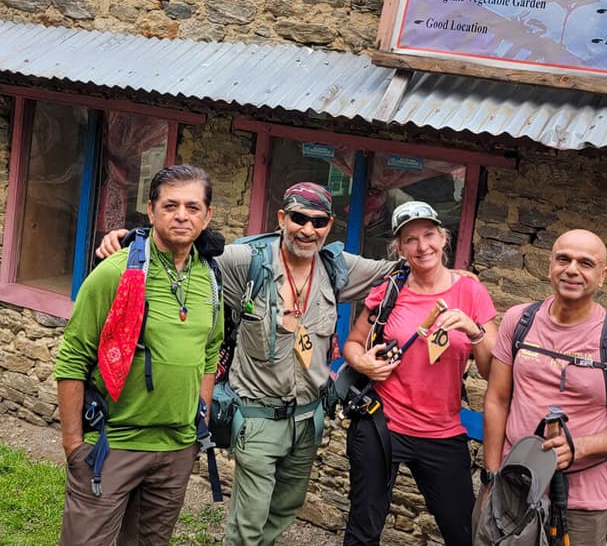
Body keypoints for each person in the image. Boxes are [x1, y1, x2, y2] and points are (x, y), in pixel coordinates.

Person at [98, 182, 404, 545]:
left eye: (318, 222)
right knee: (251, 517)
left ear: (330, 225)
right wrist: (133, 239)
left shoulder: (337, 267)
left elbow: (400, 270)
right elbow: (188, 245)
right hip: (258, 417)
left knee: (286, 507)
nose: (308, 230)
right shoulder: (249, 260)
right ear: (281, 218)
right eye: (299, 218)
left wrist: (453, 277)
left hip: (308, 419)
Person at [54, 164, 224, 546]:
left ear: (208, 215)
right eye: (171, 205)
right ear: (150, 210)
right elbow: (73, 358)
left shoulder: (212, 279)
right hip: (113, 443)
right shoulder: (116, 272)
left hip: (177, 449)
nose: (182, 215)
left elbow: (210, 354)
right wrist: (73, 445)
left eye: (193, 207)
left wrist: (199, 420)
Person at [341, 200, 497, 546]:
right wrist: (362, 362)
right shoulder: (389, 291)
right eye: (410, 239)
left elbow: (491, 370)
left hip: (442, 431)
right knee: (363, 527)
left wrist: (474, 332)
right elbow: (352, 343)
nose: (422, 246)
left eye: (429, 235)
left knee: (463, 532)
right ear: (398, 248)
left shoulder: (470, 291)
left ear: (444, 238)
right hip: (382, 423)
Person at [483, 229, 607, 546]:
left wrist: (578, 448)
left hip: (579, 502)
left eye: (586, 263)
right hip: (512, 487)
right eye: (564, 259)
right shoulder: (519, 321)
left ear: (602, 276)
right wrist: (491, 475)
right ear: (550, 266)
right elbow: (497, 399)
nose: (572, 269)